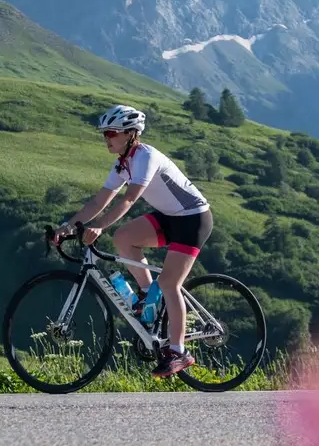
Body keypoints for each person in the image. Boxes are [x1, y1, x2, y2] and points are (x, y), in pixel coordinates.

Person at [51, 104, 213, 378]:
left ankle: (179, 351)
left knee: (170, 283)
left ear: (130, 134)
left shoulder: (145, 157)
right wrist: (67, 227)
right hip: (169, 216)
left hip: (194, 219)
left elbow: (129, 199)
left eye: (111, 133)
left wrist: (99, 226)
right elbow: (99, 200)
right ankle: (147, 299)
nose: (106, 139)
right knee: (124, 237)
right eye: (104, 134)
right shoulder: (122, 164)